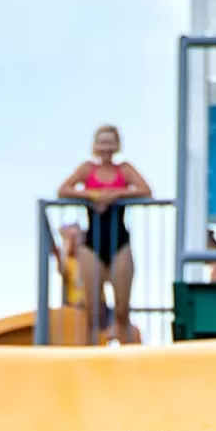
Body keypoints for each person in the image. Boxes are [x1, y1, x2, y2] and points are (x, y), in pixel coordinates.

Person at [58, 125, 151, 345]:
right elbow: (63, 189)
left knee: (121, 309)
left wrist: (115, 194)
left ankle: (128, 354)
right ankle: (90, 355)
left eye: (110, 141)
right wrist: (92, 195)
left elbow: (145, 190)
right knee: (93, 310)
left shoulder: (124, 170)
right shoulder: (87, 169)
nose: (106, 146)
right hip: (93, 244)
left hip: (119, 242)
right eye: (102, 141)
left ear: (116, 145)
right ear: (95, 146)